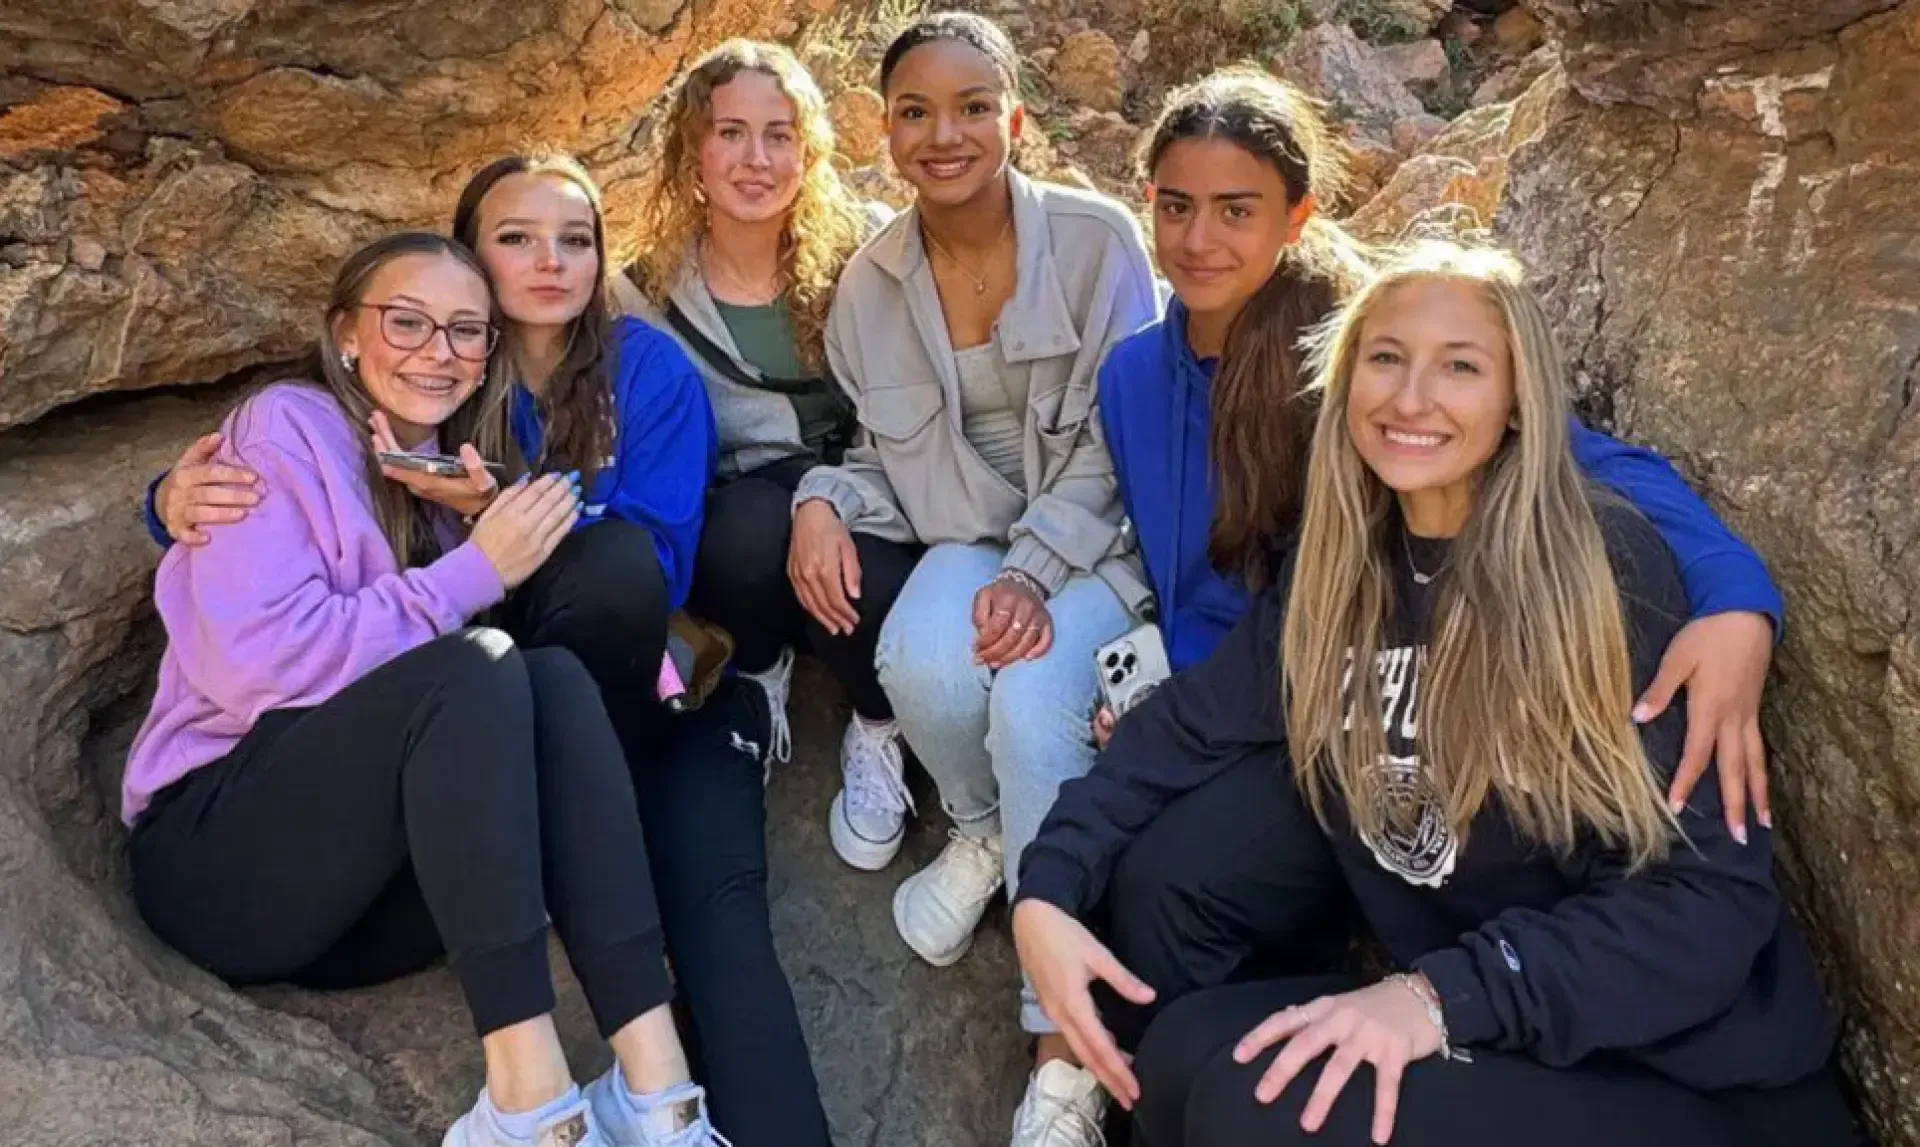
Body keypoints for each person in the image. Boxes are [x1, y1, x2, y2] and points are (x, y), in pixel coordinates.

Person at [1013, 241, 1859, 1147]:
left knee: (1251, 1108)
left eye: (1460, 367)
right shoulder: (1342, 570)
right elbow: (1185, 727)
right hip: (1511, 1026)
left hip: (1687, 1074)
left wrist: (1437, 996)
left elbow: (1706, 903)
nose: (1412, 398)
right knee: (1178, 1061)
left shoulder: (1603, 574)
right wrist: (1046, 889)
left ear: (1518, 400)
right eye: (1386, 357)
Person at [141, 158, 833, 1147]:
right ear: (345, 333)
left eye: (462, 330)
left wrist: (481, 543)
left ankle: (661, 1100)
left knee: (543, 676)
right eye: (406, 322)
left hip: (384, 900)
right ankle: (530, 1106)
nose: (438, 350)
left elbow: (635, 575)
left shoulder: (454, 465)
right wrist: (472, 571)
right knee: (486, 666)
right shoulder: (287, 429)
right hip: (225, 861)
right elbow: (259, 664)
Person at [1095, 68, 1782, 842]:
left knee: (1171, 862)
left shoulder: (1368, 356)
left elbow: (1583, 459)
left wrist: (1736, 601)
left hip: (1344, 708)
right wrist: (1158, 700)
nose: (1198, 240)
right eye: (1176, 207)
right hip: (1215, 694)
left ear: (1297, 216)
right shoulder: (1128, 376)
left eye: (1236, 211)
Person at [786, 11, 1157, 1143]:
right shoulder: (869, 286)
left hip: (1099, 542)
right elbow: (882, 460)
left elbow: (1126, 434)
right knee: (921, 660)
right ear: (884, 131)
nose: (944, 135)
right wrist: (819, 500)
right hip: (972, 541)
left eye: (973, 107)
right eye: (916, 112)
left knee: (1034, 698)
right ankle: (987, 826)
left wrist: (1035, 572)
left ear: (1017, 120)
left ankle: (1063, 1045)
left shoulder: (1099, 243)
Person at [614, 38, 918, 776]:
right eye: (731, 132)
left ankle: (877, 725)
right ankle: (758, 672)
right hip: (745, 519)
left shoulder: (868, 249)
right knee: (745, 532)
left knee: (864, 579)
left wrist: (828, 497)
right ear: (693, 153)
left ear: (807, 153)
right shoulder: (641, 293)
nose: (756, 159)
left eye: (779, 135)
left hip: (873, 488)